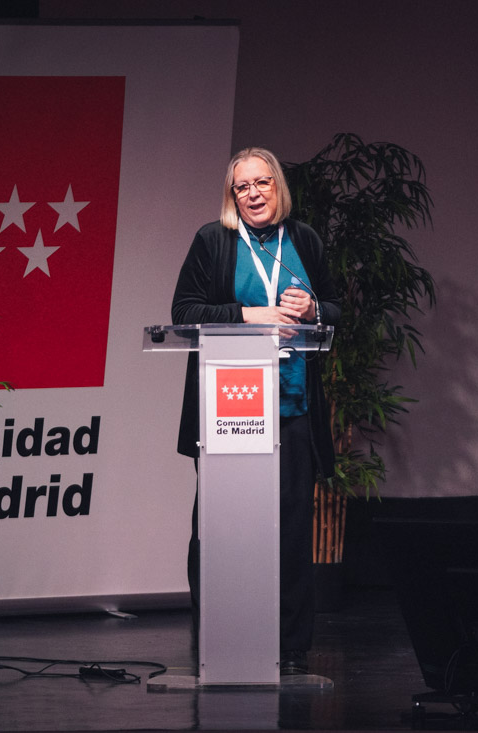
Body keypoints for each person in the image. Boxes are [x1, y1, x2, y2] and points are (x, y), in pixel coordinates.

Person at [171, 147, 340, 675]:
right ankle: (217, 639)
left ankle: (290, 648)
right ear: (232, 195)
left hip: (292, 408)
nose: (253, 193)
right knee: (220, 531)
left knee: (291, 530)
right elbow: (184, 312)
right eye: (242, 186)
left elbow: (337, 309)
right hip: (230, 415)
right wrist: (250, 315)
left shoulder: (304, 240)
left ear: (277, 187)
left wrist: (314, 308)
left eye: (262, 182)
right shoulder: (212, 241)